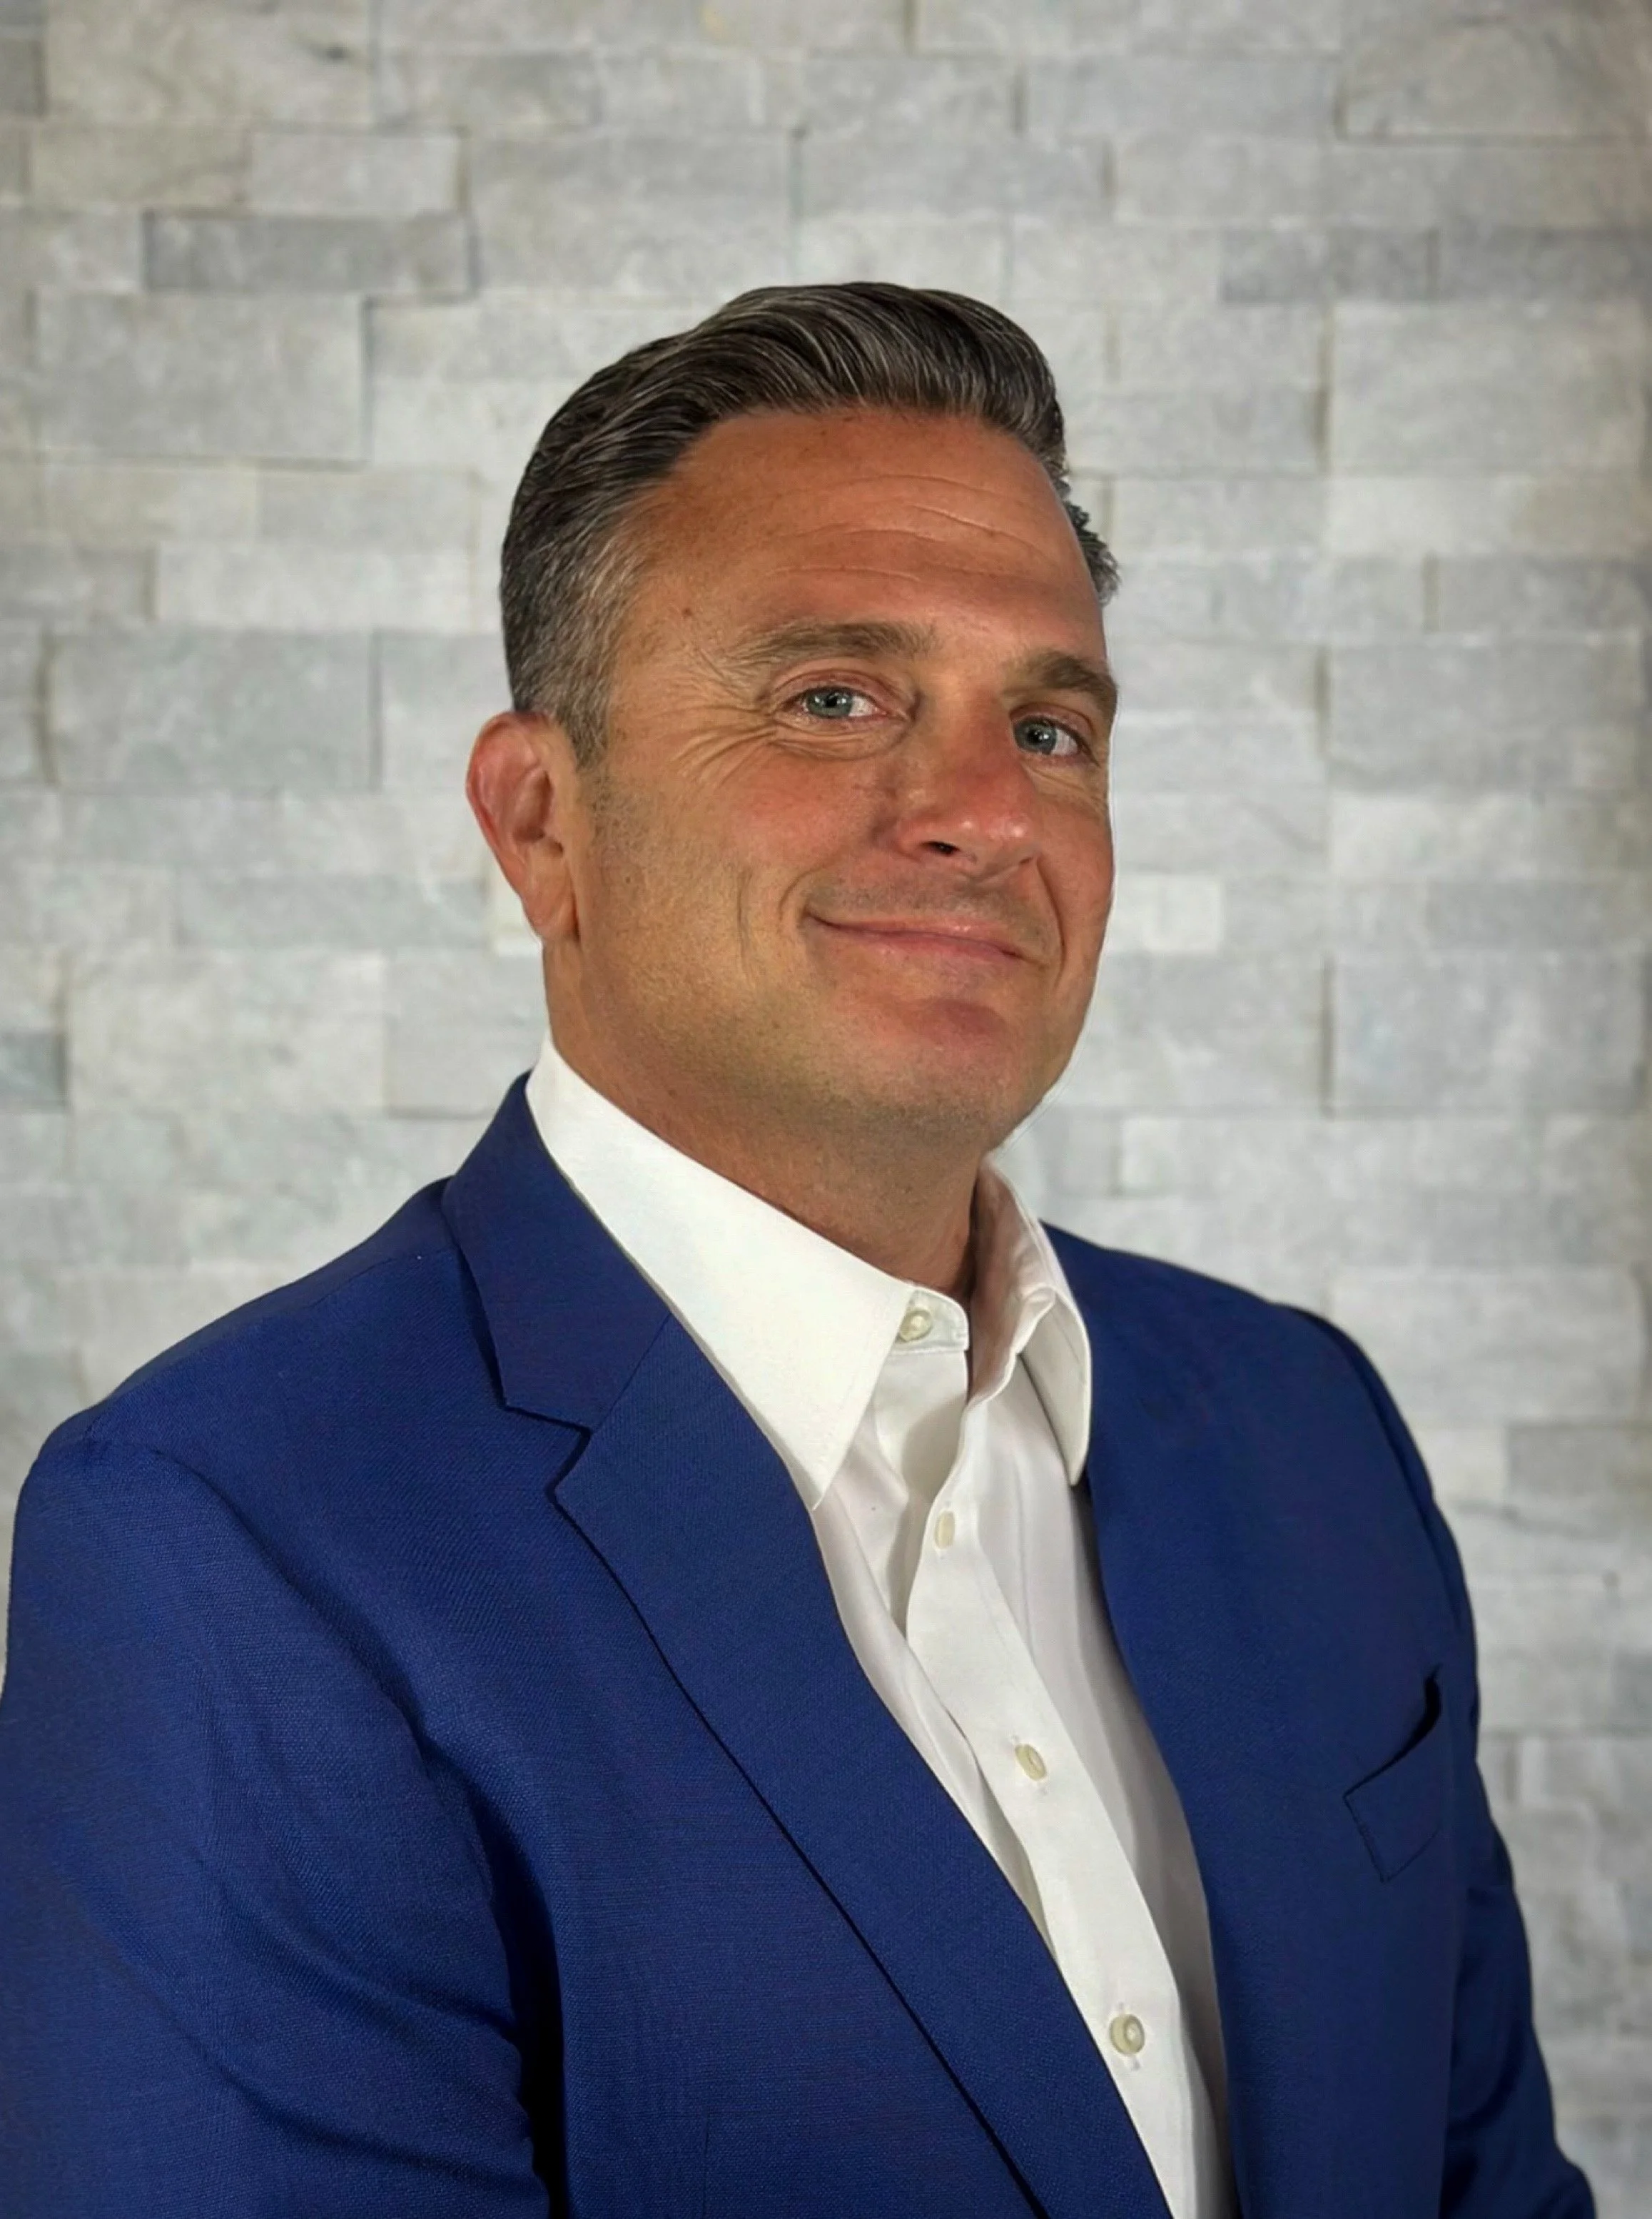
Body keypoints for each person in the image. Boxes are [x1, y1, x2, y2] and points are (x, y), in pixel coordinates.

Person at [0, 283, 1591, 2219]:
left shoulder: (1308, 1427)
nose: (990, 812)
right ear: (540, 820)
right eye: (833, 697)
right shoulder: (230, 1546)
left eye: (1053, 722)